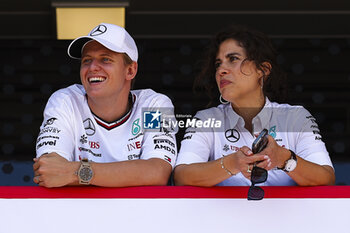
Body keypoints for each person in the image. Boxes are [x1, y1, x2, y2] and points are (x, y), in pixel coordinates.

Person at [174, 24, 335, 186]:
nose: (221, 70)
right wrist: (232, 164)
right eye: (218, 64)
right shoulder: (205, 119)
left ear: (263, 70)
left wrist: (284, 158)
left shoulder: (296, 117)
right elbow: (181, 176)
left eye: (233, 59)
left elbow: (326, 178)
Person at [33, 23, 177, 187]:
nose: (93, 67)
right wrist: (133, 175)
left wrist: (76, 172)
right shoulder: (64, 100)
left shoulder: (154, 105)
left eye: (105, 59)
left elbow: (158, 173)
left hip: (140, 212)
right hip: (76, 211)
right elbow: (49, 172)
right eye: (87, 60)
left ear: (130, 70)